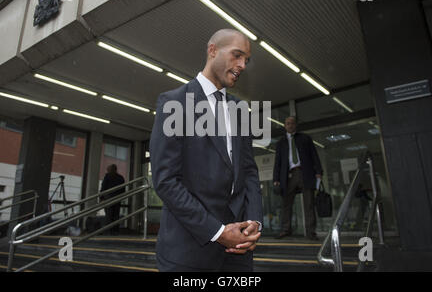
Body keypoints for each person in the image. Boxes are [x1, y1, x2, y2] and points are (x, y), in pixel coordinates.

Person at [150, 29, 263, 272]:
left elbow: (249, 173)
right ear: (212, 50)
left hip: (238, 254)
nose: (242, 65)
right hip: (188, 254)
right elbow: (165, 181)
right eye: (237, 55)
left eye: (246, 60)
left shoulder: (241, 110)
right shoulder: (174, 103)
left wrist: (254, 222)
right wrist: (218, 232)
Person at [273, 116, 323, 240]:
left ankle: (311, 232)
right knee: (286, 203)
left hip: (305, 172)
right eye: (288, 123)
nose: (290, 125)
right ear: (285, 126)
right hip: (288, 175)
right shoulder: (281, 142)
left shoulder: (305, 138)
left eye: (292, 123)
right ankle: (286, 229)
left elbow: (314, 155)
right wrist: (276, 179)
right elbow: (277, 161)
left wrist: (319, 171)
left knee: (309, 203)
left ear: (296, 125)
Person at [100, 164, 125, 235]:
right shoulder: (120, 178)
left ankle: (108, 231)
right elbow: (123, 189)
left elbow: (103, 188)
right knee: (116, 215)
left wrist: (101, 198)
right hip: (117, 199)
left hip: (108, 198)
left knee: (108, 215)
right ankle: (115, 231)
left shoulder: (108, 176)